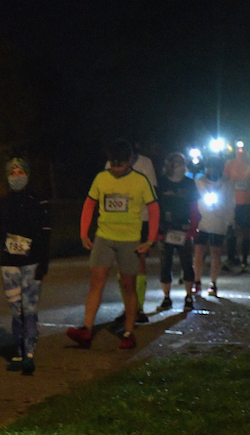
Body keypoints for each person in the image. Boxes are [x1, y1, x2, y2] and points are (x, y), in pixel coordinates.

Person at [67, 140, 159, 351]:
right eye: (113, 164)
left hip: (129, 241)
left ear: (130, 161)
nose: (116, 170)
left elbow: (154, 209)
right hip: (104, 238)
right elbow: (89, 204)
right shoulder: (102, 178)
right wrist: (84, 233)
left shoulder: (140, 180)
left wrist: (150, 240)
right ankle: (86, 330)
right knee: (96, 282)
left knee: (128, 286)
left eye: (120, 165)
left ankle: (129, 332)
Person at [0, 159, 51, 375]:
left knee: (30, 310)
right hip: (9, 263)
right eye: (12, 172)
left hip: (31, 263)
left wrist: (43, 262)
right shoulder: (3, 202)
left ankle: (29, 355)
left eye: (21, 171)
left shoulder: (38, 201)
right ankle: (19, 352)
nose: (16, 175)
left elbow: (45, 233)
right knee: (16, 311)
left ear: (28, 175)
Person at [106, 147, 157, 323]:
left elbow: (152, 190)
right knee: (121, 264)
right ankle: (128, 306)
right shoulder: (110, 164)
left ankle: (139, 308)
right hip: (118, 221)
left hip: (140, 219)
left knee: (139, 261)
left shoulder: (145, 163)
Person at [156, 152, 198, 312]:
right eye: (175, 162)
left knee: (187, 263)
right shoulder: (162, 183)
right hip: (165, 229)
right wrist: (157, 230)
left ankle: (189, 296)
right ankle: (166, 297)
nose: (179, 165)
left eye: (181, 162)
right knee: (165, 264)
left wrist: (193, 228)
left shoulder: (189, 183)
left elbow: (194, 207)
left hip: (183, 229)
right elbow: (156, 207)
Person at [192, 153, 234, 298]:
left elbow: (230, 203)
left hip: (218, 222)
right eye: (210, 167)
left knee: (216, 253)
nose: (213, 171)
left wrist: (230, 221)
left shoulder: (226, 184)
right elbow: (201, 195)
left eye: (216, 168)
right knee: (199, 252)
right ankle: (197, 281)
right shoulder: (200, 181)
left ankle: (213, 283)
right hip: (202, 221)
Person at [223, 144, 250, 271]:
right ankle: (231, 258)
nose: (241, 151)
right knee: (231, 230)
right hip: (233, 202)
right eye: (238, 148)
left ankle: (244, 259)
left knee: (245, 231)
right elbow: (225, 179)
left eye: (244, 148)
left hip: (248, 202)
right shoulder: (229, 163)